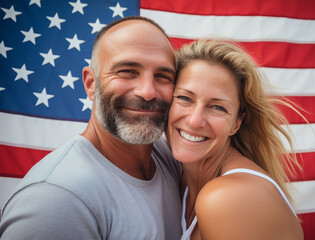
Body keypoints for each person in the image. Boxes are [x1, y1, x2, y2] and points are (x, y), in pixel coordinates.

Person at [0, 16, 182, 239]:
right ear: (90, 84)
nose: (148, 91)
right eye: (127, 71)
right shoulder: (55, 198)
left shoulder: (172, 157)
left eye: (163, 76)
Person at [165, 40, 304, 239]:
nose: (195, 121)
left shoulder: (227, 197)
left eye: (218, 107)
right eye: (185, 98)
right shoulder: (178, 177)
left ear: (237, 123)